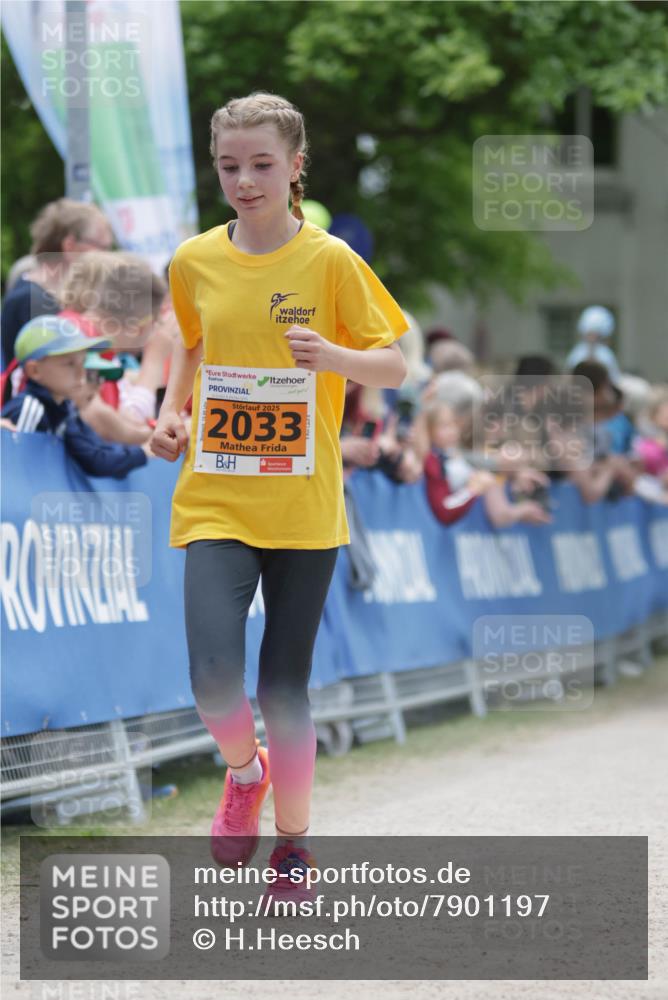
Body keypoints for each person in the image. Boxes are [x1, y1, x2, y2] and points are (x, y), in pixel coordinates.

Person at [149, 92, 407, 908]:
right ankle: (243, 773)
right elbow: (190, 346)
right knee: (213, 679)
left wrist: (332, 354)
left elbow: (395, 366)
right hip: (218, 496)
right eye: (230, 166)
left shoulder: (330, 260)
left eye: (263, 164)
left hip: (303, 507)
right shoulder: (192, 261)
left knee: (282, 690)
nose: (245, 181)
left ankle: (294, 848)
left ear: (297, 167)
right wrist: (169, 412)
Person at [1, 316, 152, 478]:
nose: (81, 374)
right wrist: (144, 452)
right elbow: (17, 476)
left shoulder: (65, 409)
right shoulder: (30, 409)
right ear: (34, 371)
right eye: (69, 364)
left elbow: (94, 455)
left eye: (82, 363)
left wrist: (141, 453)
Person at [1, 199, 113, 369]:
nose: (108, 256)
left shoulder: (39, 295)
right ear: (70, 245)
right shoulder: (30, 301)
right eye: (102, 248)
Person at [565, 306, 621, 383]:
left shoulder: (605, 354)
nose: (592, 337)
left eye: (594, 333)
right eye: (590, 333)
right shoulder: (578, 353)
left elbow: (614, 379)